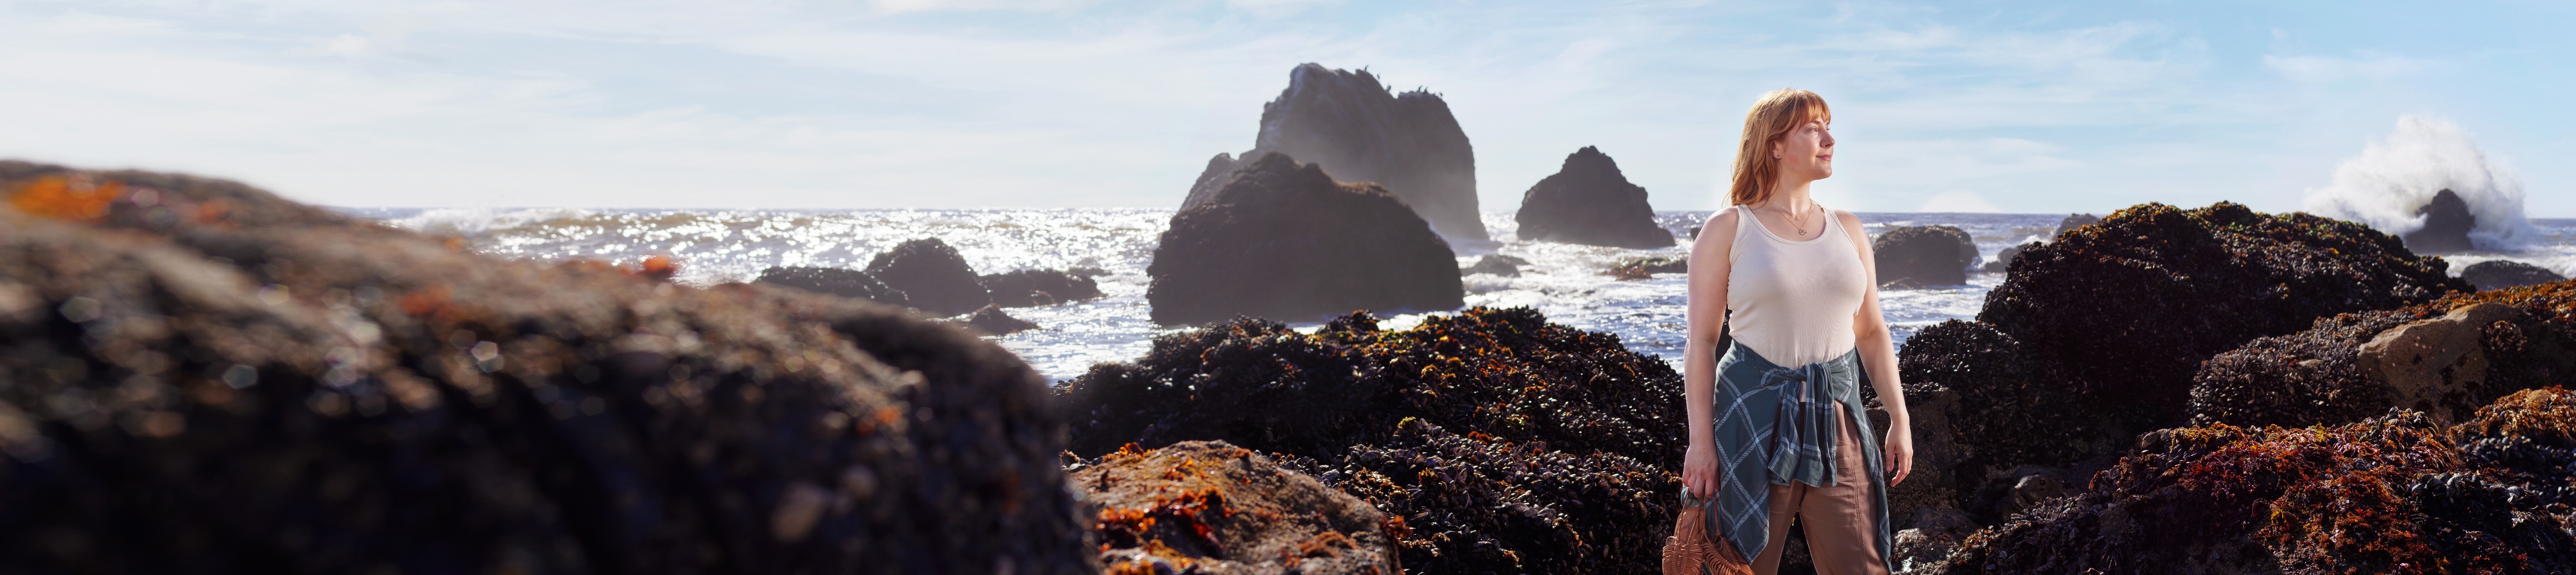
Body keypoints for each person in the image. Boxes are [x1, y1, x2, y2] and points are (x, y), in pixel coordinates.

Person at [1679, 88, 1913, 575]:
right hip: (1752, 417)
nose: (1829, 139)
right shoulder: (1728, 228)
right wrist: (1699, 442)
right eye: (1812, 129)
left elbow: (1870, 331)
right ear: (1775, 145)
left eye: (1828, 127)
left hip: (1839, 418)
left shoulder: (1847, 228)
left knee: (1862, 566)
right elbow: (1702, 341)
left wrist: (1898, 415)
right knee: (1736, 564)